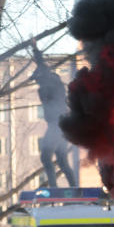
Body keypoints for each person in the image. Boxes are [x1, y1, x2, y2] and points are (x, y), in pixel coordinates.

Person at [31, 44, 78, 187]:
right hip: (60, 127)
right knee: (62, 159)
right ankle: (73, 188)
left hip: (56, 126)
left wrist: (35, 48)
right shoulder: (47, 86)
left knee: (45, 157)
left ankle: (53, 187)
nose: (37, 83)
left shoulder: (52, 83)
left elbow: (43, 67)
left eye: (37, 79)